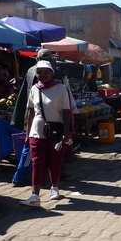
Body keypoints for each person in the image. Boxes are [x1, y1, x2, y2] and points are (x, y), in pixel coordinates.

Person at [22, 61, 72, 206]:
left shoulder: (61, 88)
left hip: (56, 132)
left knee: (55, 161)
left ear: (52, 73)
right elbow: (30, 111)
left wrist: (67, 133)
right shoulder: (34, 89)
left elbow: (67, 112)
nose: (43, 75)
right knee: (37, 162)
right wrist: (27, 132)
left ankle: (54, 187)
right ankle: (34, 196)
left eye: (46, 72)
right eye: (39, 72)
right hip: (37, 132)